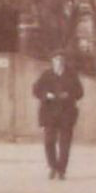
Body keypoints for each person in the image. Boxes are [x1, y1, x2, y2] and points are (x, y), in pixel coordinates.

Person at [33, 52, 83, 180]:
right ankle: (52, 166)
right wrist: (46, 95)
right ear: (52, 61)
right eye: (56, 60)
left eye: (61, 60)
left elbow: (80, 92)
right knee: (49, 141)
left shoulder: (72, 75)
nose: (58, 62)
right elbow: (36, 90)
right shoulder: (46, 74)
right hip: (49, 113)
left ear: (64, 61)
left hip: (66, 113)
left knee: (65, 143)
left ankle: (62, 170)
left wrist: (69, 95)